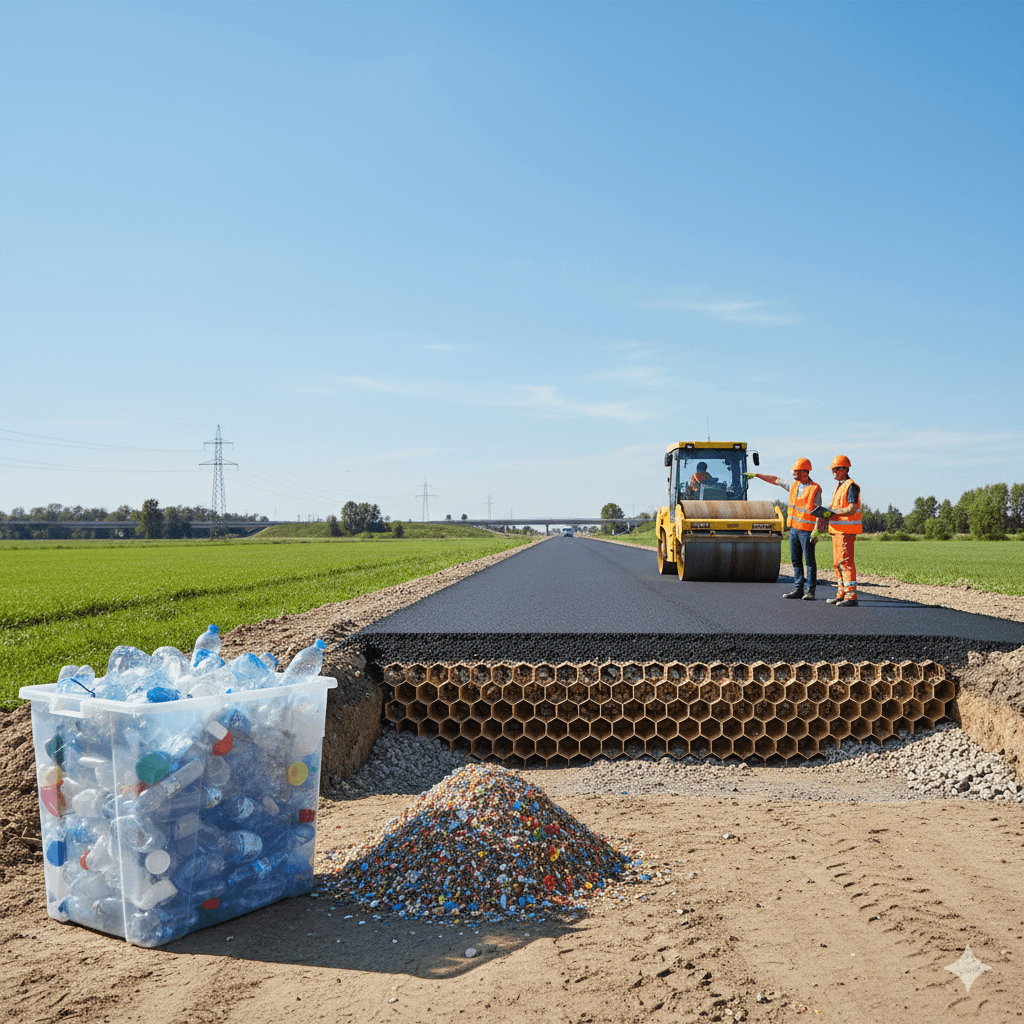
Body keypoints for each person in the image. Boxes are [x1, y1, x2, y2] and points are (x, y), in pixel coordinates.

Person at [746, 458, 827, 600]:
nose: (793, 474)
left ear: (804, 472)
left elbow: (819, 511)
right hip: (794, 530)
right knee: (795, 560)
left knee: (809, 561)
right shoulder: (794, 486)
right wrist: (758, 475)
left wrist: (817, 531)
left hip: (807, 530)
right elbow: (776, 480)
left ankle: (810, 591)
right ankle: (798, 589)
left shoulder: (815, 488)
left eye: (795, 471)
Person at [821, 455, 862, 607]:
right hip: (837, 531)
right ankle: (841, 594)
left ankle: (851, 596)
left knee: (845, 562)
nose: (834, 472)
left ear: (845, 470)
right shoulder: (839, 487)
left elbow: (852, 508)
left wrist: (834, 512)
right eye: (833, 469)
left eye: (836, 469)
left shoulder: (850, 486)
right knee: (837, 563)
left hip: (846, 530)